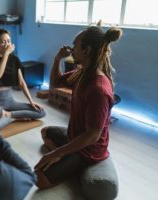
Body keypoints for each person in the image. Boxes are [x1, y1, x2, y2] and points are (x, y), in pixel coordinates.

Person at [34, 26, 122, 189]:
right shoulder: (82, 73)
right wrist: (57, 59)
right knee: (45, 133)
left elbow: (92, 136)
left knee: (39, 178)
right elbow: (55, 84)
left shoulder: (98, 89)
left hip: (89, 149)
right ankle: (69, 159)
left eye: (75, 46)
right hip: (74, 137)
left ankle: (75, 163)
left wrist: (56, 153)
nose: (72, 49)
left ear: (86, 50)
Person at [0, 29, 45, 130]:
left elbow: (21, 82)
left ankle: (8, 115)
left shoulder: (14, 59)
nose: (7, 44)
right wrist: (6, 55)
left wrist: (31, 101)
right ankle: (11, 117)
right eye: (3, 42)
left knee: (41, 112)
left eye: (8, 41)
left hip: (10, 100)